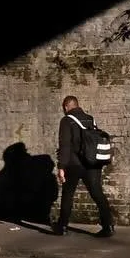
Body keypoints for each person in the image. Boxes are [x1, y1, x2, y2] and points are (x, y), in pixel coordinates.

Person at [53, 95, 115, 237]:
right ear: (77, 105)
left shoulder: (66, 120)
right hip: (92, 163)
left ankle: (62, 227)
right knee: (97, 193)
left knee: (68, 194)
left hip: (74, 164)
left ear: (66, 107)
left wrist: (61, 167)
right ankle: (108, 226)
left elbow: (65, 145)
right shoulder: (90, 119)